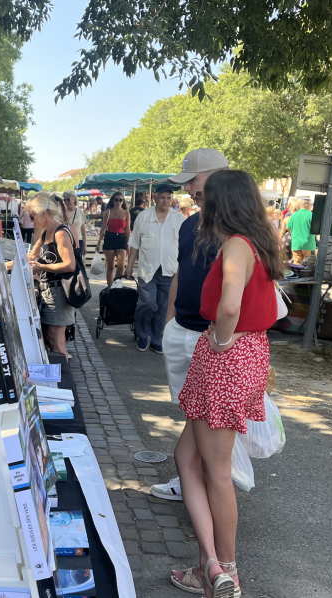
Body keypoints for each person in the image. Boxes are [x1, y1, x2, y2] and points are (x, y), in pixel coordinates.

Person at [173, 170, 283, 598]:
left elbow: (230, 305)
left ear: (221, 204)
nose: (200, 206)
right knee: (187, 457)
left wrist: (220, 339)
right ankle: (211, 564)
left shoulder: (236, 245)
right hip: (245, 357)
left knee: (216, 472)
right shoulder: (258, 242)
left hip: (227, 360)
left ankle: (226, 571)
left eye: (204, 200)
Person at [153, 148, 230, 507]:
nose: (188, 190)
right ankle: (193, 481)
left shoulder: (236, 228)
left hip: (211, 335)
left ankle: (199, 484)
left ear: (214, 177)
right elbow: (182, 272)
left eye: (193, 182)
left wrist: (221, 337)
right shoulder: (190, 224)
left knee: (204, 415)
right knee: (190, 410)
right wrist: (170, 321)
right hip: (184, 328)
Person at [126, 183, 185, 353]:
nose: (166, 201)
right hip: (148, 269)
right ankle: (142, 334)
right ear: (155, 198)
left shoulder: (179, 218)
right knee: (149, 303)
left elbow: (185, 245)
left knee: (164, 307)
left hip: (170, 269)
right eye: (162, 198)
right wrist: (129, 266)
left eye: (169, 198)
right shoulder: (143, 217)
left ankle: (157, 338)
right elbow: (135, 244)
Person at [26, 192, 76, 355]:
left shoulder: (60, 232)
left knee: (57, 343)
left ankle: (63, 379)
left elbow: (70, 265)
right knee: (52, 338)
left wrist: (42, 267)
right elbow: (29, 257)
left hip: (58, 291)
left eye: (32, 216)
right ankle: (60, 377)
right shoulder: (46, 232)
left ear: (43, 213)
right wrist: (4, 265)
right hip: (49, 290)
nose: (32, 220)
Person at [96, 192, 131, 286]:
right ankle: (110, 287)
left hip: (121, 238)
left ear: (123, 201)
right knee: (110, 266)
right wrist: (99, 242)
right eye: (116, 199)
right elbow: (103, 228)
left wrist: (129, 244)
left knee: (121, 266)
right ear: (113, 200)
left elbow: (127, 229)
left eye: (120, 200)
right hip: (110, 237)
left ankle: (117, 285)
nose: (118, 202)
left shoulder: (126, 213)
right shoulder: (108, 212)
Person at [284, 199, 315, 264]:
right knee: (307, 264)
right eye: (311, 205)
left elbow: (288, 227)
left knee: (297, 263)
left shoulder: (294, 215)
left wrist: (293, 234)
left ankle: (297, 274)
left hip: (296, 243)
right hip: (308, 243)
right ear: (307, 205)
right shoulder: (311, 215)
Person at [63, 190, 87, 255]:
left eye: (68, 199)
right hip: (65, 241)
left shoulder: (80, 212)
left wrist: (84, 246)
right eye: (64, 200)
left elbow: (83, 231)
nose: (66, 202)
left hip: (78, 242)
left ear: (74, 199)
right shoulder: (61, 213)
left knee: (77, 263)